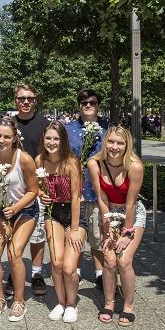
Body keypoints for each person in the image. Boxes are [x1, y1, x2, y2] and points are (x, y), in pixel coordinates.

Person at [0, 117, 39, 322]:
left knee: (15, 253)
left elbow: (33, 191)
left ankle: (19, 300)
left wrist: (15, 208)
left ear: (15, 138)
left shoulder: (24, 159)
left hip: (24, 210)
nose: (2, 140)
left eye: (7, 136)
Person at [88, 126, 146, 327]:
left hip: (131, 213)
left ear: (127, 145)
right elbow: (101, 198)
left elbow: (131, 202)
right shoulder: (95, 164)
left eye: (120, 143)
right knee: (110, 260)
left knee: (124, 261)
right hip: (108, 212)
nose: (115, 147)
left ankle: (128, 306)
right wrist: (106, 231)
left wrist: (126, 233)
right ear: (105, 143)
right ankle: (109, 303)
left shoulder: (135, 166)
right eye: (111, 141)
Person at [36, 122, 85, 323]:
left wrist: (74, 229)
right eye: (48, 138)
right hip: (52, 212)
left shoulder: (71, 162)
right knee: (56, 263)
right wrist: (40, 193)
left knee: (68, 267)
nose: (52, 142)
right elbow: (35, 187)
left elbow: (75, 197)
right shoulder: (39, 160)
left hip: (73, 213)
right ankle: (61, 302)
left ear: (63, 140)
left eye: (56, 138)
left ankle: (72, 304)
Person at [65, 89, 107, 290]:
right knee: (76, 232)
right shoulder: (69, 129)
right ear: (79, 105)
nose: (88, 105)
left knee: (98, 235)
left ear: (98, 105)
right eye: (83, 102)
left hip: (99, 190)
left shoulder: (107, 129)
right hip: (74, 191)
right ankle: (77, 271)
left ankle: (100, 274)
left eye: (92, 102)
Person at [11, 84, 49, 295]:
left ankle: (36, 273)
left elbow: (51, 156)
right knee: (12, 233)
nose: (26, 102)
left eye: (30, 98)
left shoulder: (45, 124)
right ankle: (13, 272)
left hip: (38, 187)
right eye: (21, 98)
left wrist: (43, 186)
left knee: (38, 233)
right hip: (13, 188)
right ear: (15, 100)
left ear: (36, 100)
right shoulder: (9, 124)